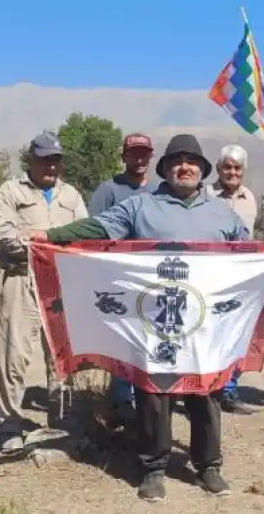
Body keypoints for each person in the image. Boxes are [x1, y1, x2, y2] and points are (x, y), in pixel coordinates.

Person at [30, 134, 249, 501]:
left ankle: (208, 465)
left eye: (191, 161)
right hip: (155, 320)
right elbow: (98, 227)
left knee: (206, 392)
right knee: (153, 395)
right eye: (176, 161)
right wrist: (51, 235)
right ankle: (154, 467)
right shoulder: (140, 206)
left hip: (204, 322)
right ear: (165, 168)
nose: (184, 167)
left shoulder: (222, 213)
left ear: (202, 169)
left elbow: (251, 254)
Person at [0, 131, 88, 454]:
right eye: (45, 159)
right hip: (22, 279)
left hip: (60, 282)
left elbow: (83, 235)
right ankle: (9, 425)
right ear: (31, 160)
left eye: (56, 160)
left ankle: (60, 421)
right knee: (14, 355)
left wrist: (37, 237)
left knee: (62, 355)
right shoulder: (11, 191)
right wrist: (50, 242)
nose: (51, 166)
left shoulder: (71, 195)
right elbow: (6, 237)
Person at [89, 132, 157, 425]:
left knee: (149, 338)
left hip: (151, 278)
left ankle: (148, 398)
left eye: (144, 154)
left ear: (150, 157)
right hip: (117, 277)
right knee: (122, 339)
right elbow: (94, 230)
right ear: (124, 157)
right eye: (133, 153)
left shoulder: (159, 192)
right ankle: (121, 401)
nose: (139, 159)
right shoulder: (108, 190)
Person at [209, 144, 259, 415]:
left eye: (237, 167)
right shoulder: (205, 195)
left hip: (240, 276)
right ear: (218, 169)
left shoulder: (250, 198)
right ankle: (201, 390)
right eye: (227, 166)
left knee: (238, 332)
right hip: (211, 274)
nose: (232, 172)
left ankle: (229, 390)